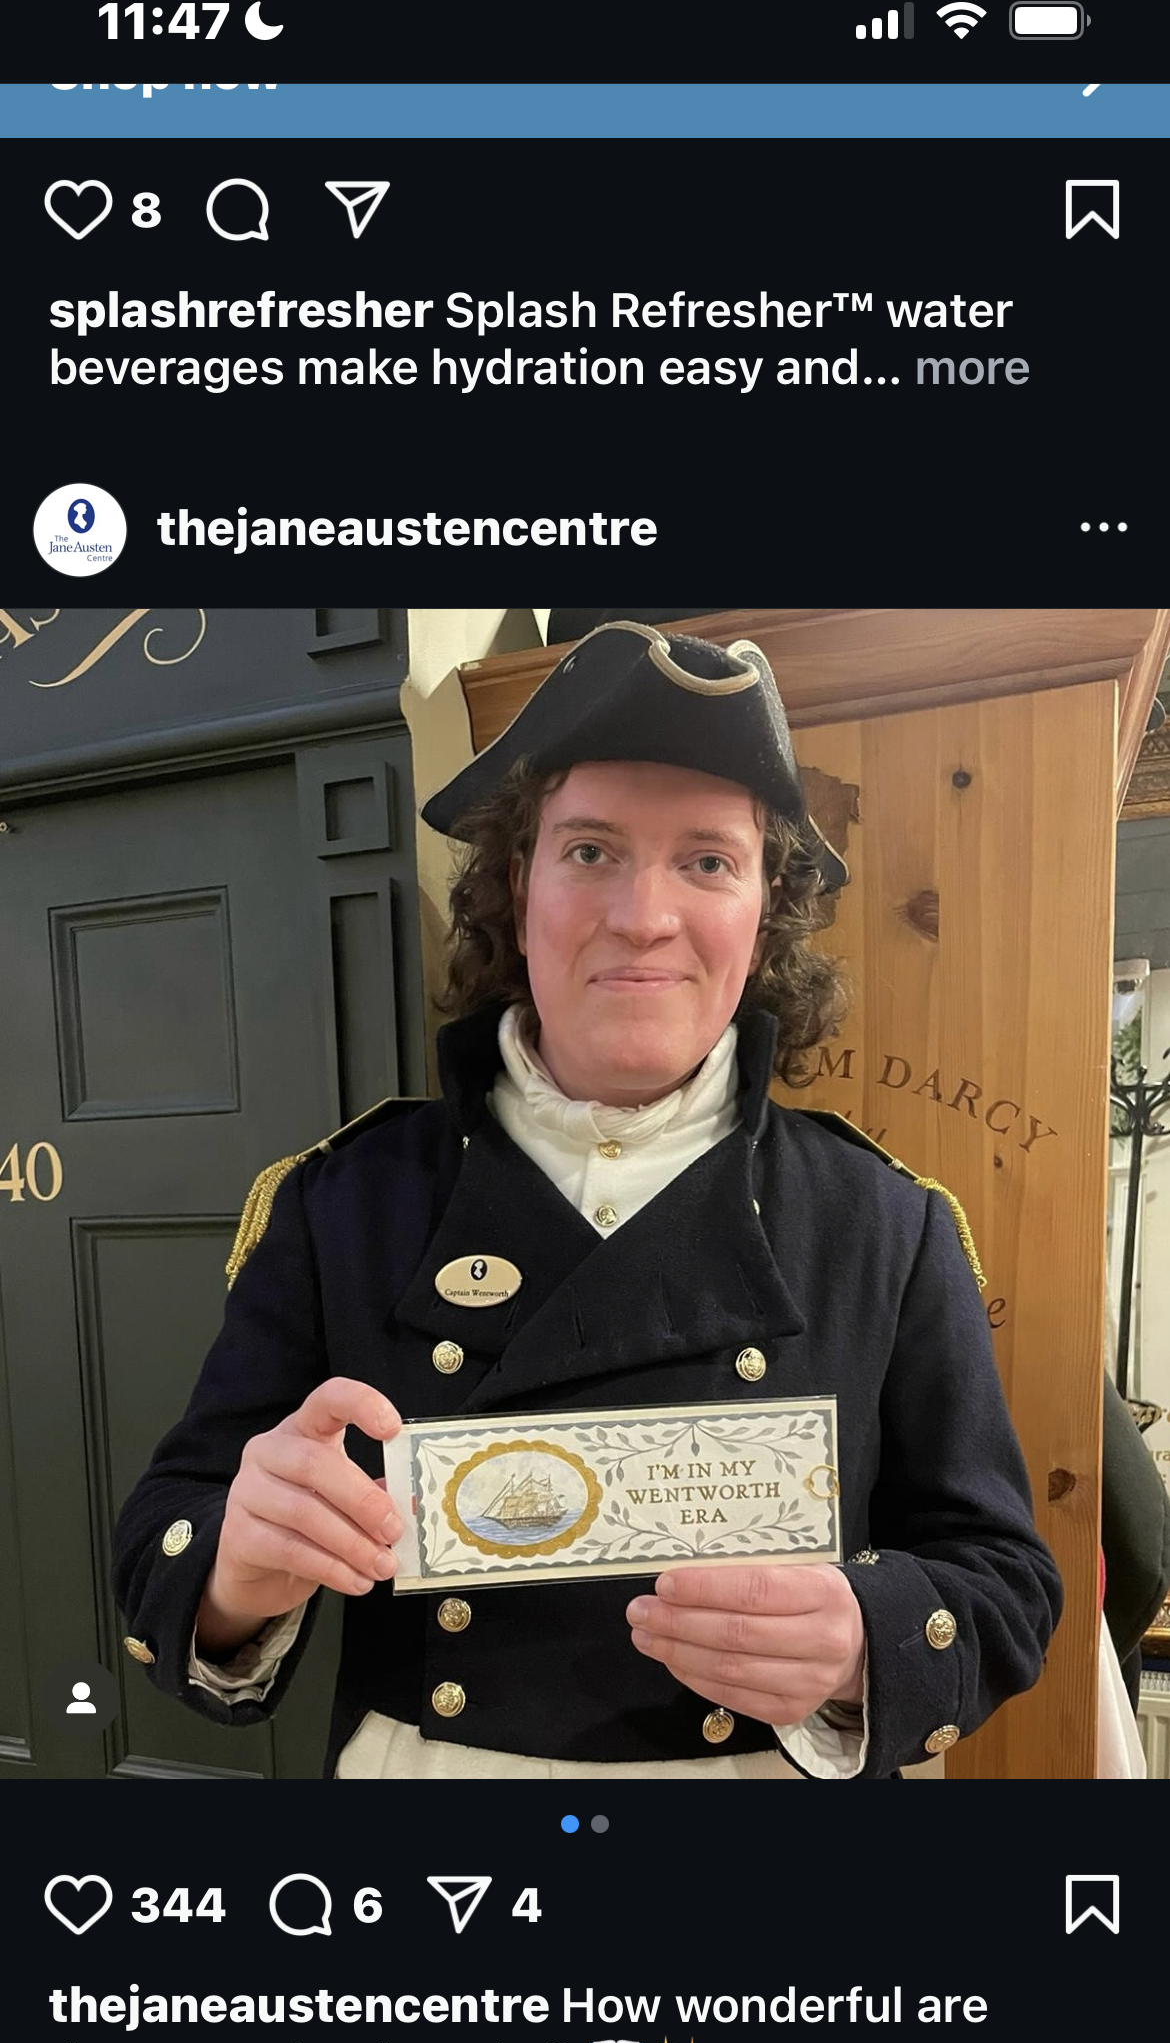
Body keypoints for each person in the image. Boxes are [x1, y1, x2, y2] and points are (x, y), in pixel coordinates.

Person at [112, 620, 1063, 1780]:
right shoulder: (339, 1204)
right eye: (592, 850)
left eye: (707, 861)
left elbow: (1003, 1583)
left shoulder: (888, 1224)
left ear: (764, 909)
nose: (643, 916)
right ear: (519, 887)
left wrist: (864, 1639)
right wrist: (235, 1565)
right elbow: (164, 1545)